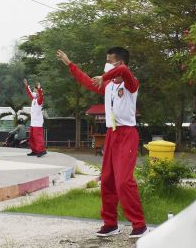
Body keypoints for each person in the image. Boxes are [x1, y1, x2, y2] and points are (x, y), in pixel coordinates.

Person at [57, 46, 148, 238]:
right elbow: (85, 80)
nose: (106, 64)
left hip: (127, 135)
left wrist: (105, 76)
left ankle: (139, 224)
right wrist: (69, 64)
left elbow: (124, 71)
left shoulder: (131, 83)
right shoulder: (108, 85)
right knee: (107, 181)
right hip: (111, 135)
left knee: (124, 182)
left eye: (110, 60)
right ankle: (110, 224)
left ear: (120, 63)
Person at [24, 79, 47, 157]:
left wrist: (39, 89)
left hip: (38, 123)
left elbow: (41, 96)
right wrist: (27, 86)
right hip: (33, 123)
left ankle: (41, 150)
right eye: (34, 91)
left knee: (38, 137)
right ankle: (34, 150)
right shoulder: (33, 99)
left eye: (35, 91)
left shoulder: (40, 100)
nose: (34, 92)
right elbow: (29, 92)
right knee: (31, 138)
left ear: (38, 93)